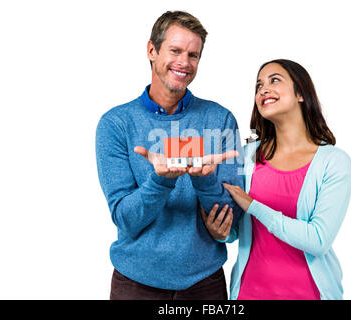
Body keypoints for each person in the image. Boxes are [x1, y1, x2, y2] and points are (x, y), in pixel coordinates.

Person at [95, 11, 244, 300]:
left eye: (193, 55)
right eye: (175, 50)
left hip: (205, 283)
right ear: (152, 50)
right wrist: (161, 181)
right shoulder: (115, 124)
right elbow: (125, 218)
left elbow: (232, 217)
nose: (184, 63)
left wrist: (205, 181)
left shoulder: (220, 119)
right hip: (135, 282)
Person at [202, 59, 351, 300]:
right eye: (259, 85)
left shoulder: (333, 162)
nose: (263, 89)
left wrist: (253, 206)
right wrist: (220, 231)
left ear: (301, 93)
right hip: (248, 294)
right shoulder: (248, 156)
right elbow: (236, 231)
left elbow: (318, 240)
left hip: (310, 294)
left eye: (275, 80)